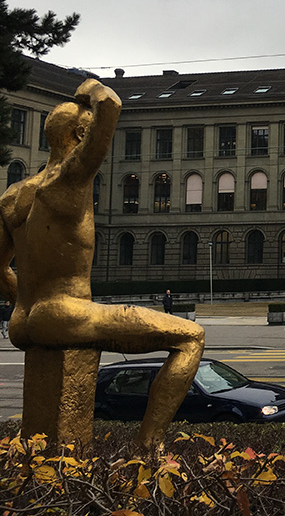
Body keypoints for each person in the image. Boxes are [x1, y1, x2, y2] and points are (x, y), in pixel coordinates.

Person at [0, 79, 205, 447]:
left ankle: (37, 465)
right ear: (82, 134)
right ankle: (150, 447)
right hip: (66, 312)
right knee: (191, 337)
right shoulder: (69, 178)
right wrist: (91, 88)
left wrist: (26, 307)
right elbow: (110, 104)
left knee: (43, 441)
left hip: (23, 320)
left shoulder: (12, 197)